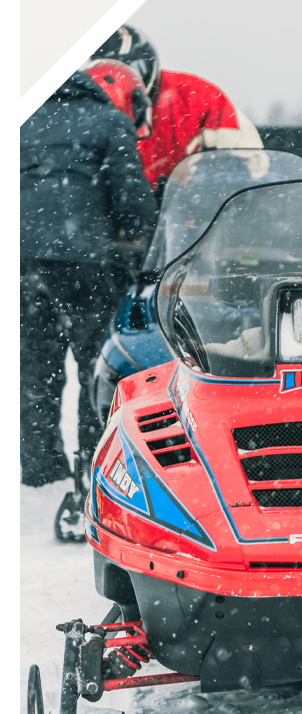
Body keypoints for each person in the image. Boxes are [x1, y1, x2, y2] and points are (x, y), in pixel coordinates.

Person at [19, 65, 159, 485]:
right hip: (85, 261)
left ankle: (40, 469)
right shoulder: (108, 121)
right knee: (94, 365)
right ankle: (93, 465)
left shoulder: (20, 119)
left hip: (20, 261)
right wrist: (141, 246)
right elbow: (133, 202)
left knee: (33, 367)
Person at [92, 24, 261, 188]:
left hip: (194, 213)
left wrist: (205, 185)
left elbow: (252, 170)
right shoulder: (74, 111)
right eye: (104, 77)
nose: (119, 87)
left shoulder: (200, 99)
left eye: (128, 73)